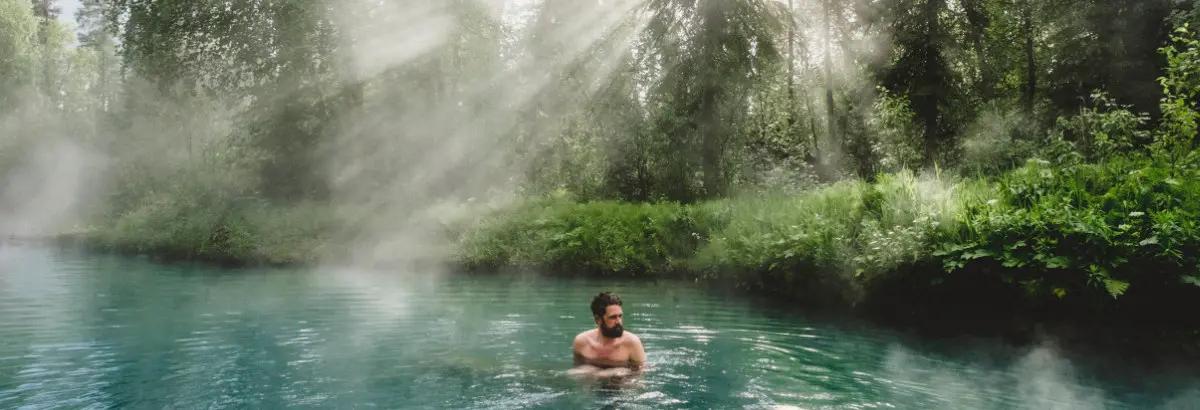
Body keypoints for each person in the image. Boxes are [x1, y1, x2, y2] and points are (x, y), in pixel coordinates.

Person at [570, 292, 646, 376]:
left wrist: (611, 373)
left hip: (621, 384)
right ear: (598, 319)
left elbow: (640, 375)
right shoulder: (581, 342)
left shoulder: (632, 342)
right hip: (592, 383)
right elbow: (577, 368)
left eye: (620, 316)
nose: (618, 321)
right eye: (613, 317)